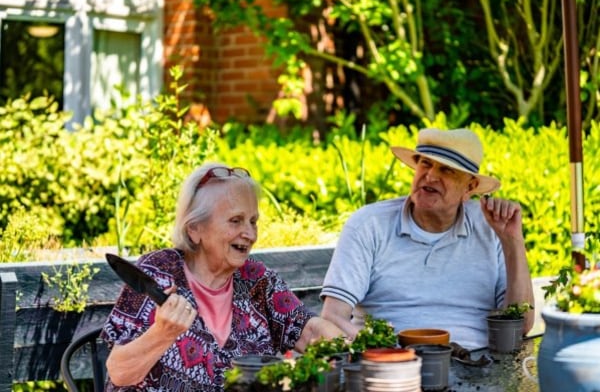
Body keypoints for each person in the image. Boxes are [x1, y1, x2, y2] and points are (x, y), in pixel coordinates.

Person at [101, 162, 344, 391]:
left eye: (253, 221)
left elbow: (310, 332)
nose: (249, 233)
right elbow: (119, 372)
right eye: (236, 221)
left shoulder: (256, 280)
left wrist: (358, 349)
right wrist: (162, 332)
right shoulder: (159, 272)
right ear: (194, 228)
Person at [320, 128, 535, 349]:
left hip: (478, 366)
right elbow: (332, 317)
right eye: (425, 163)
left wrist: (512, 243)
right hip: (393, 368)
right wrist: (391, 357)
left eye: (446, 170)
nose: (430, 176)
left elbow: (521, 326)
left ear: (469, 187)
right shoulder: (369, 224)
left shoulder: (491, 228)